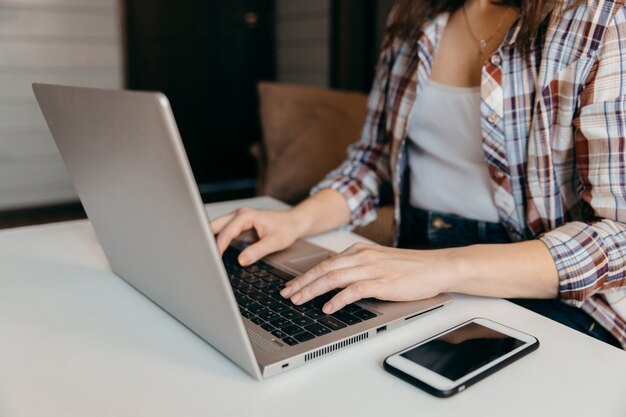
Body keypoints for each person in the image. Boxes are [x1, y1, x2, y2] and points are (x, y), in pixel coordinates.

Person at [211, 0, 626, 349]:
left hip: (538, 281)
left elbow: (619, 234)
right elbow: (371, 163)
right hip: (410, 258)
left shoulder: (599, 19)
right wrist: (293, 220)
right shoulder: (410, 20)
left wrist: (442, 267)